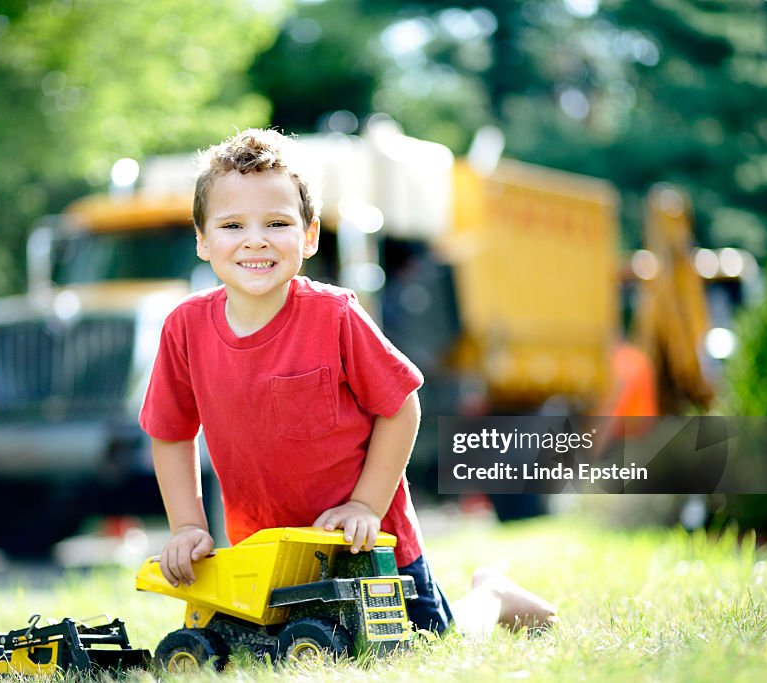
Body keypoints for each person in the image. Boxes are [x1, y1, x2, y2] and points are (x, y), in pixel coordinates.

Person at [139, 128, 556, 636]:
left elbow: (401, 408)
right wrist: (187, 527)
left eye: (277, 222)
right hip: (268, 553)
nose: (255, 239)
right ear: (202, 240)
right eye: (232, 225)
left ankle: (491, 593)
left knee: (433, 641)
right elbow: (170, 431)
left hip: (369, 541)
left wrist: (366, 505)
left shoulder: (334, 314)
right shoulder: (185, 328)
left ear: (310, 235)